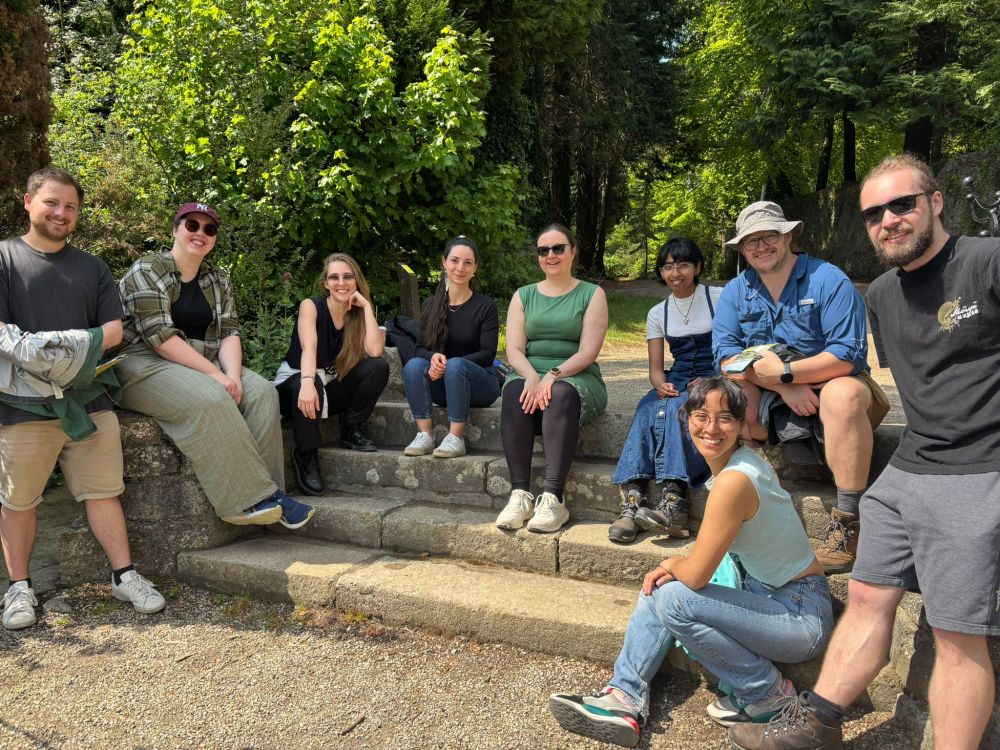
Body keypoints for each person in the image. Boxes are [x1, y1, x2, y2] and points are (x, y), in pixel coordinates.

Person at [730, 155, 1000, 750]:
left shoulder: (987, 261)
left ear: (935, 202)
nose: (888, 220)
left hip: (979, 470)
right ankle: (817, 724)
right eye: (874, 212)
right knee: (867, 597)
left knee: (957, 634)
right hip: (908, 469)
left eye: (902, 204)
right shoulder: (881, 293)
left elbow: (850, 370)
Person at [549, 377, 833, 748]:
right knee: (663, 588)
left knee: (673, 596)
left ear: (742, 423)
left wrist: (673, 561)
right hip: (766, 593)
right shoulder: (737, 463)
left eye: (725, 418)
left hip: (799, 615)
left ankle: (769, 694)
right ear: (687, 420)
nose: (711, 428)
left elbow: (696, 575)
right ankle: (623, 697)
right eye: (701, 416)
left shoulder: (734, 480)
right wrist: (676, 568)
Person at [0, 168, 165, 630]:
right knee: (19, 500)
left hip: (88, 401)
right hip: (22, 404)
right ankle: (19, 589)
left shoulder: (93, 267)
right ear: (28, 202)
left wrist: (60, 345)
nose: (61, 213)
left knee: (105, 492)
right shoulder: (4, 259)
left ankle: (124, 575)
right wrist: (48, 351)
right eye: (52, 203)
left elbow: (113, 331)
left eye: (70, 206)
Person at [712, 201, 889, 573]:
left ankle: (846, 521)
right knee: (722, 393)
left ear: (787, 235)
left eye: (769, 237)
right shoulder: (735, 291)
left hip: (842, 385)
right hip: (779, 393)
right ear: (741, 249)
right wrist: (781, 385)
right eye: (750, 242)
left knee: (842, 393)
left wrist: (789, 374)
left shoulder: (828, 279)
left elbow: (847, 355)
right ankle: (733, 501)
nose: (760, 247)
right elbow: (727, 357)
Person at [115, 202, 314, 529]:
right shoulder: (147, 270)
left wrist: (232, 376)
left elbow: (229, 332)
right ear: (175, 230)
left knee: (262, 392)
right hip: (142, 360)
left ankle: (272, 495)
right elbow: (160, 337)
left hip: (199, 358)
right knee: (211, 396)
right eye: (192, 225)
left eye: (209, 229)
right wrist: (215, 377)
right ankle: (243, 502)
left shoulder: (218, 278)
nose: (200, 234)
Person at [495, 224, 608, 533]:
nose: (551, 255)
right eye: (543, 250)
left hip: (577, 374)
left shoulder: (592, 294)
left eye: (558, 248)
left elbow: (588, 351)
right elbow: (515, 349)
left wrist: (554, 374)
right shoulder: (524, 295)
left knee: (559, 394)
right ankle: (520, 494)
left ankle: (554, 498)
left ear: (573, 252)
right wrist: (532, 375)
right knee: (515, 390)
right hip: (530, 371)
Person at [609, 237, 723, 543]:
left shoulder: (719, 297)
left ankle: (675, 500)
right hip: (680, 375)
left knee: (676, 409)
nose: (676, 272)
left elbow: (733, 348)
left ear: (697, 267)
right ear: (661, 272)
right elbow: (656, 370)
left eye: (683, 264)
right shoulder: (658, 313)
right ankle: (634, 501)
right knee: (649, 406)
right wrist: (659, 384)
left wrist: (715, 379)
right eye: (668, 266)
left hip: (716, 374)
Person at [274, 253, 388, 494]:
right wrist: (306, 382)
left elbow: (376, 351)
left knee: (377, 367)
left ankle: (351, 429)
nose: (341, 283)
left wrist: (366, 306)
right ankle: (305, 455)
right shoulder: (311, 306)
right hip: (295, 385)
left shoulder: (357, 316)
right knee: (312, 380)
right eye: (334, 277)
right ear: (325, 283)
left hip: (325, 389)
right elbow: (309, 348)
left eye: (348, 277)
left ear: (356, 281)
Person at [401, 236, 500, 459]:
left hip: (481, 383)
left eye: (467, 262)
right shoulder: (431, 305)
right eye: (454, 260)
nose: (460, 268)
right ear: (444, 262)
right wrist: (434, 356)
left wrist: (451, 365)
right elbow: (419, 349)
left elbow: (488, 354)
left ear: (475, 268)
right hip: (444, 385)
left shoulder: (485, 306)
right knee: (414, 365)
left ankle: (456, 437)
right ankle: (425, 435)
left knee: (456, 365)